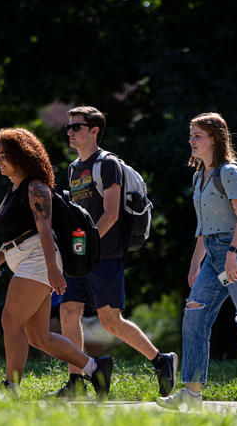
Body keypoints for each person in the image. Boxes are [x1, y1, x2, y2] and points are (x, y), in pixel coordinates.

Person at [157, 112, 237, 411]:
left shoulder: (229, 172)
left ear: (214, 138)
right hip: (215, 258)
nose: (191, 140)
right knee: (194, 317)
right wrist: (194, 264)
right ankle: (191, 395)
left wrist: (231, 255)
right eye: (190, 135)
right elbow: (204, 227)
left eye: (197, 136)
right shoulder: (198, 176)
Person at [49, 106, 177, 398]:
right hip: (79, 254)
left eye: (76, 127)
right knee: (69, 311)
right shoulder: (73, 168)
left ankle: (161, 361)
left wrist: (88, 245)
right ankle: (76, 382)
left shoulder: (108, 165)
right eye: (67, 127)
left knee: (110, 320)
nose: (69, 132)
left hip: (104, 253)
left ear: (94, 131)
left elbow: (111, 213)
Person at [0, 127, 112, 396]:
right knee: (39, 337)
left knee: (10, 320)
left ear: (21, 155)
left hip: (38, 259)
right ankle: (95, 369)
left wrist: (53, 270)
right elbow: (13, 236)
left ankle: (11, 387)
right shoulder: (14, 188)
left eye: (3, 155)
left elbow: (44, 231)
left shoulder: (36, 187)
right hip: (23, 258)